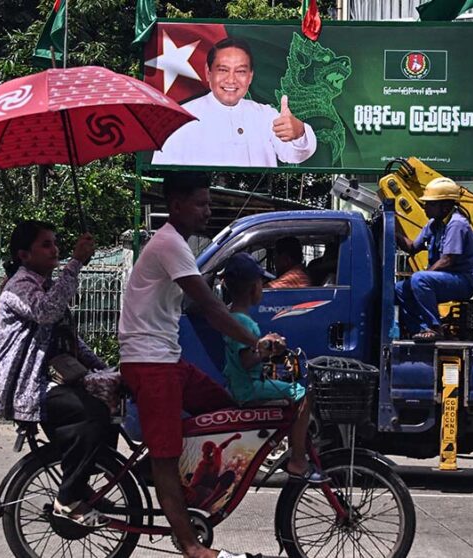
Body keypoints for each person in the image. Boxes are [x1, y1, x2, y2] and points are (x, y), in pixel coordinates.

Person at [117, 172, 282, 558]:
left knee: (227, 412)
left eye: (209, 202)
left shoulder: (179, 246)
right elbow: (210, 306)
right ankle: (189, 543)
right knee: (166, 454)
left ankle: (177, 486)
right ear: (176, 206)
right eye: (201, 203)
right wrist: (255, 342)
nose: (208, 210)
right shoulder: (170, 244)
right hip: (150, 363)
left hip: (166, 360)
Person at [0, 221, 112, 529]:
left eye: (54, 242)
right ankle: (68, 498)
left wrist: (106, 369)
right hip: (24, 388)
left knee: (111, 400)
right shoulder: (19, 286)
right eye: (46, 244)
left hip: (45, 383)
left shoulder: (42, 284)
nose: (54, 249)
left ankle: (81, 480)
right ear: (24, 254)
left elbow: (71, 340)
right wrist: (76, 263)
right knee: (93, 412)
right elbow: (47, 312)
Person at [220, 253, 326, 483]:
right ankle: (298, 458)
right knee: (304, 394)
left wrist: (266, 345)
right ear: (253, 289)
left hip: (241, 384)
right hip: (249, 388)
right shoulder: (243, 322)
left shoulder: (232, 316)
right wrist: (267, 348)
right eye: (261, 284)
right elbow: (246, 360)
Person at [152, 37, 317, 167]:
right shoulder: (180, 118)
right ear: (208, 73)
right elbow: (163, 174)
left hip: (259, 208)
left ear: (250, 76)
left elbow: (295, 155)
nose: (231, 80)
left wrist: (299, 132)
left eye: (240, 71)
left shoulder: (266, 116)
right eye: (223, 70)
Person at [394, 177, 473, 343]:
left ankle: (435, 328)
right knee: (399, 290)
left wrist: (422, 278)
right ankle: (421, 330)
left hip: (464, 281)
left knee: (419, 279)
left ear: (446, 206)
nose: (425, 208)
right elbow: (412, 247)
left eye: (430, 204)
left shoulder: (457, 224)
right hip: (446, 278)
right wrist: (391, 229)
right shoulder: (433, 224)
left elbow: (448, 260)